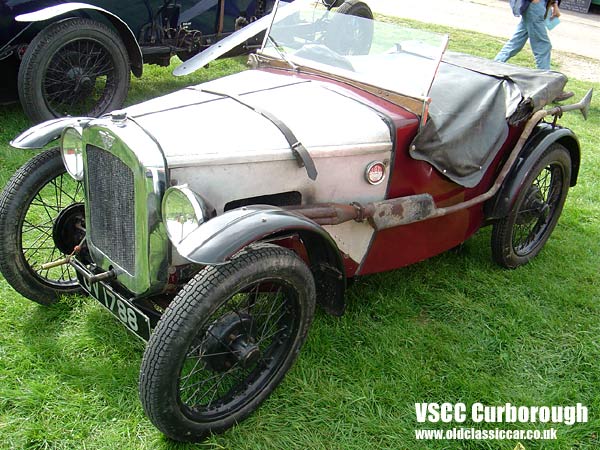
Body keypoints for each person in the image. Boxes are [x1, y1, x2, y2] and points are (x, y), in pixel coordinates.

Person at [495, 0, 574, 101]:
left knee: (515, 43)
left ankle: (492, 67)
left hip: (538, 5)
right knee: (543, 46)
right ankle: (548, 88)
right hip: (535, 6)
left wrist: (554, 5)